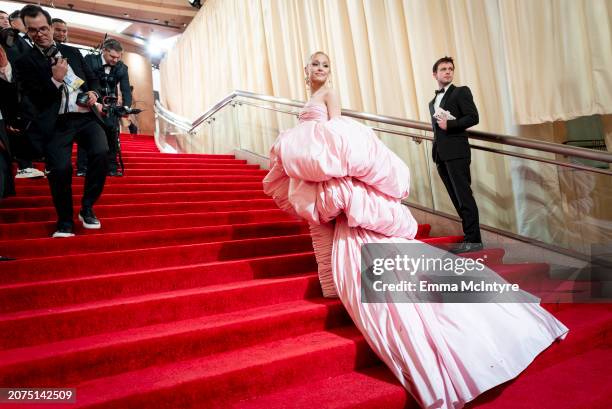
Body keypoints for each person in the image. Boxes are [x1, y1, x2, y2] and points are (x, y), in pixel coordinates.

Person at [262, 51, 568, 409]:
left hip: (337, 174)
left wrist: (334, 178)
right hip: (318, 179)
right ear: (306, 69)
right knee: (329, 235)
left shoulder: (328, 94)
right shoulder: (306, 100)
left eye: (326, 64)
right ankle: (334, 281)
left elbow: (336, 137)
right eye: (316, 64)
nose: (320, 69)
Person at [15, 5, 108, 237]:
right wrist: (55, 81)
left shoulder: (73, 52)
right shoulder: (25, 62)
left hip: (85, 117)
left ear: (51, 27)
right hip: (56, 124)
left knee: (101, 152)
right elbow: (34, 99)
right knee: (61, 169)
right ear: (27, 31)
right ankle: (65, 221)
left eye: (43, 28)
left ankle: (87, 207)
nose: (40, 33)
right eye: (33, 30)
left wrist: (94, 93)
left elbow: (93, 79)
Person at [429, 56, 482, 254]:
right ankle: (469, 236)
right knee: (455, 198)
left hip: (457, 153)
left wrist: (450, 124)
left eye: (450, 68)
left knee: (464, 197)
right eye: (443, 69)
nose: (448, 71)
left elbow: (473, 117)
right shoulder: (432, 101)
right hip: (441, 155)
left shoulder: (461, 92)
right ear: (435, 74)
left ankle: (474, 240)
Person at [77, 38, 132, 177]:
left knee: (112, 135)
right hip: (91, 102)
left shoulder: (122, 67)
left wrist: (126, 107)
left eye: (118, 57)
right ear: (104, 51)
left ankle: (111, 167)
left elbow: (126, 89)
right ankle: (82, 167)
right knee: (87, 134)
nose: (115, 60)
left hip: (110, 104)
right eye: (112, 56)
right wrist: (89, 99)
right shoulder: (89, 60)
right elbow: (81, 79)